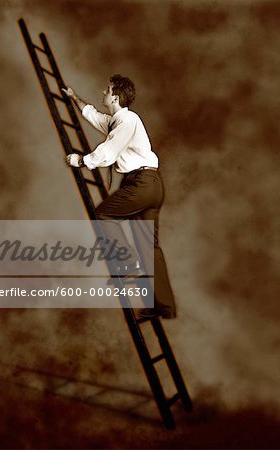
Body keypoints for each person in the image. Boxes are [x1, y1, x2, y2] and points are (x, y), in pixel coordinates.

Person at [62, 74, 176, 319]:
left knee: (102, 214)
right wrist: (74, 98)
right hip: (151, 185)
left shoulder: (127, 120)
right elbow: (93, 116)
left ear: (115, 96)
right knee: (150, 247)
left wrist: (80, 160)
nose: (103, 91)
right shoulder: (117, 121)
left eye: (107, 89)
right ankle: (163, 305)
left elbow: (108, 152)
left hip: (141, 184)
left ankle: (127, 263)